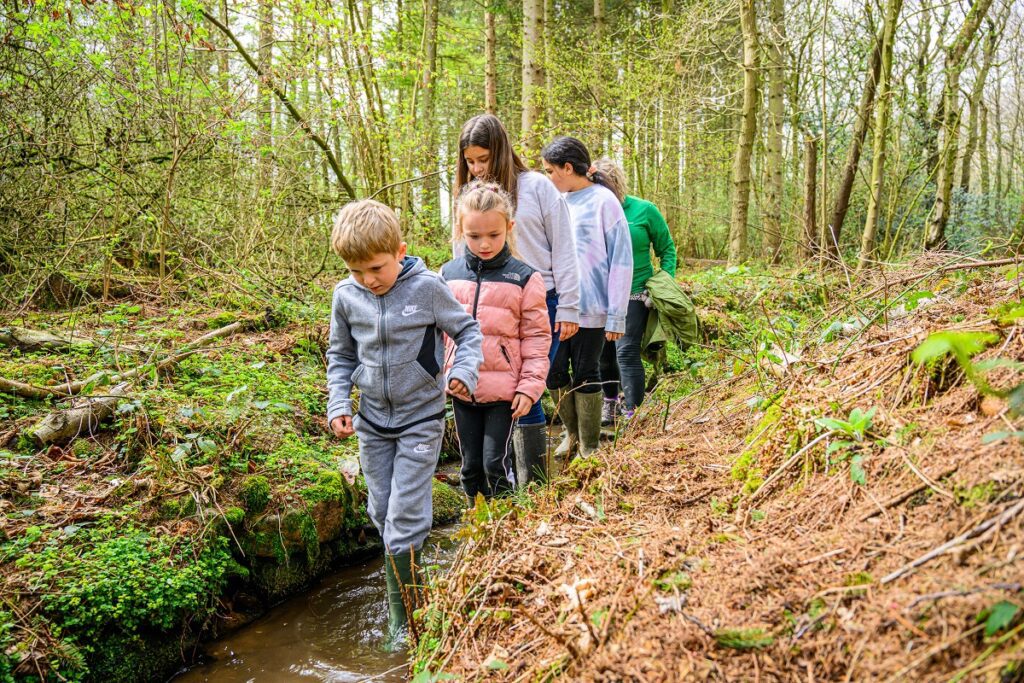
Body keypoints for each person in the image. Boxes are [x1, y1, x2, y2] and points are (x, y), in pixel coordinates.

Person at [325, 199, 483, 648]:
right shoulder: (346, 297)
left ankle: (406, 621)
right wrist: (340, 401)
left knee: (404, 515)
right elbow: (341, 356)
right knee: (381, 513)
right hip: (372, 422)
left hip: (422, 419)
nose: (368, 280)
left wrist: (463, 372)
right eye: (356, 271)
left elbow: (467, 332)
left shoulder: (428, 288)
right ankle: (416, 588)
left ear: (400, 250)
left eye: (376, 268)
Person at [455, 114, 580, 486]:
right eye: (470, 161)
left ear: (501, 152)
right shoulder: (466, 196)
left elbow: (565, 247)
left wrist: (571, 305)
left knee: (525, 390)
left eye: (483, 159)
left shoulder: (537, 187)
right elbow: (459, 250)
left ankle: (535, 487)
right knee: (494, 394)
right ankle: (502, 486)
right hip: (486, 303)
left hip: (543, 300)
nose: (476, 169)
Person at [441, 181, 552, 497]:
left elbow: (536, 338)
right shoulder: (448, 275)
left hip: (503, 392)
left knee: (494, 462)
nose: (484, 244)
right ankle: (476, 526)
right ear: (461, 229)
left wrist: (529, 388)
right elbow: (436, 335)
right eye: (474, 236)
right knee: (470, 466)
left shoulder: (525, 278)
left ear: (509, 228)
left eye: (494, 235)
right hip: (463, 389)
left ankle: (507, 523)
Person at [540, 136, 632, 458]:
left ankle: (589, 447)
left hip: (592, 307)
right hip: (557, 304)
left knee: (585, 372)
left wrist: (616, 313)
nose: (548, 178)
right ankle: (571, 432)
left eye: (551, 171)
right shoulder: (556, 202)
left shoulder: (604, 202)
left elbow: (621, 259)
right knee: (553, 371)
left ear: (568, 168)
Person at [592, 157, 678, 423]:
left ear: (617, 183)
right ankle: (609, 402)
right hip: (601, 294)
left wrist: (663, 286)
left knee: (626, 351)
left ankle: (633, 412)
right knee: (603, 356)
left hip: (636, 292)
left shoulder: (644, 210)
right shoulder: (591, 211)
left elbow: (667, 250)